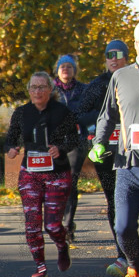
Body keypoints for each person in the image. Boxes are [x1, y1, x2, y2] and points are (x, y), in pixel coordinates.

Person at [90, 18, 139, 277]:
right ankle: (136, 267)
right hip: (128, 165)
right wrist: (99, 142)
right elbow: (108, 115)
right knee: (123, 226)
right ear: (135, 44)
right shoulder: (121, 77)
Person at [5, 72, 79, 277]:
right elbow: (11, 138)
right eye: (33, 88)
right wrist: (12, 148)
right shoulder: (21, 113)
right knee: (32, 224)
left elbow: (75, 138)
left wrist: (61, 148)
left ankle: (62, 245)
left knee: (53, 225)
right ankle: (40, 267)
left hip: (57, 173)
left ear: (50, 90)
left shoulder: (61, 112)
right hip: (30, 173)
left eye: (41, 87)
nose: (37, 91)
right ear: (29, 91)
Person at [79, 40, 132, 277]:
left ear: (126, 58)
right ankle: (122, 254)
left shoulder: (136, 79)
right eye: (109, 55)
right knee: (114, 200)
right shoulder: (98, 85)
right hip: (107, 153)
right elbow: (80, 113)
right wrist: (105, 116)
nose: (114, 59)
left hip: (136, 150)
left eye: (118, 55)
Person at [52, 54, 89, 240]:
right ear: (57, 70)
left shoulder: (84, 90)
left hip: (76, 140)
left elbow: (90, 114)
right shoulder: (50, 90)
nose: (65, 69)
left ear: (74, 70)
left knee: (70, 181)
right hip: (55, 142)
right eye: (62, 66)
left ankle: (67, 224)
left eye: (69, 66)